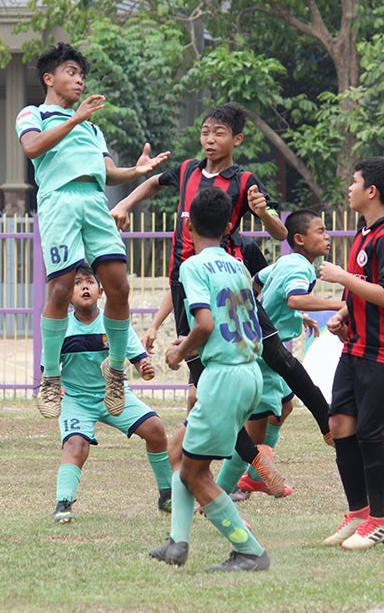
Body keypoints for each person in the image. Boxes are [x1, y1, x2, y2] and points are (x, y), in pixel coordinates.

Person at [113, 103, 335, 496]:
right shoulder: (186, 171)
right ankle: (256, 462)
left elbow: (282, 234)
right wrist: (125, 203)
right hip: (187, 286)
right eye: (205, 132)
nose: (210, 140)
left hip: (229, 284)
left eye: (218, 133)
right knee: (204, 387)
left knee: (277, 356)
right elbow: (152, 183)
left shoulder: (245, 180)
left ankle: (326, 421)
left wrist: (263, 214)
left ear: (237, 139)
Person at [16, 42, 169, 420]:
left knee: (119, 287)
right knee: (61, 288)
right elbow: (33, 149)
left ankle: (115, 370)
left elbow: (105, 169)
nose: (79, 80)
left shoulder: (91, 127)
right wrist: (73, 119)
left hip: (93, 200)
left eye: (82, 75)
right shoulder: (33, 114)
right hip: (59, 200)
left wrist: (134, 172)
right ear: (49, 78)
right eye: (71, 72)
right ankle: (51, 376)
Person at [147, 187, 270, 572]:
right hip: (250, 371)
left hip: (224, 376)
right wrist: (193, 342)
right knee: (179, 454)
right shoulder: (236, 265)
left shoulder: (192, 265)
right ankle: (177, 542)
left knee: (194, 473)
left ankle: (250, 551)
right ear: (229, 226)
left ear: (188, 226)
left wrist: (179, 352)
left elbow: (205, 322)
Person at [318, 156, 384, 550]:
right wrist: (342, 311)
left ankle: (379, 520)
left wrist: (342, 277)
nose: (349, 188)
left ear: (371, 191)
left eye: (354, 182)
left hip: (381, 351)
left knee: (372, 437)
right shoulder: (365, 232)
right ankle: (357, 514)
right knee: (339, 426)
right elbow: (363, 289)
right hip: (354, 347)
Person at [221, 209, 342, 500]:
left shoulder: (287, 261)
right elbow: (294, 296)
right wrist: (337, 305)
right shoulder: (300, 268)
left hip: (272, 351)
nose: (327, 236)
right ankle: (223, 490)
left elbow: (258, 284)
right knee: (256, 433)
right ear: (299, 238)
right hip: (265, 356)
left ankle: (251, 479)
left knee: (285, 407)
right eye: (321, 231)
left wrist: (294, 317)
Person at [52, 266, 173, 524]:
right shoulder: (60, 328)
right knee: (76, 446)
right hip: (76, 400)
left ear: (101, 290)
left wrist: (145, 368)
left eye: (89, 282)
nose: (84, 287)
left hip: (114, 392)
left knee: (155, 429)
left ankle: (167, 495)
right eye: (76, 283)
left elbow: (139, 360)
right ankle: (63, 504)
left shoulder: (116, 324)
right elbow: (49, 371)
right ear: (67, 294)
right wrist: (54, 385)